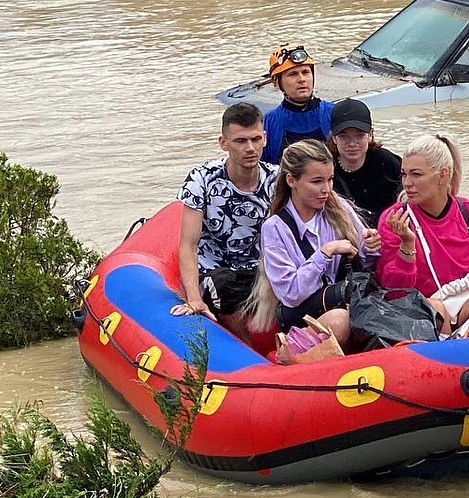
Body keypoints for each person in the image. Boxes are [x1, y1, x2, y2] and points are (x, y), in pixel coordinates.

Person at [245, 139, 381, 348]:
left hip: (348, 303)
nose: (326, 189)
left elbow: (366, 268)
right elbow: (291, 294)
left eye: (330, 179)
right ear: (291, 180)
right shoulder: (274, 228)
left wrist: (371, 248)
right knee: (339, 320)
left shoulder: (339, 207)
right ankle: (292, 351)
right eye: (317, 181)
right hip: (305, 317)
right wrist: (325, 252)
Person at [171, 102, 277, 339]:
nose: (250, 148)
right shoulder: (202, 179)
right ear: (224, 143)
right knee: (223, 286)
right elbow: (189, 244)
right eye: (240, 141)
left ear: (265, 139)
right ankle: (246, 352)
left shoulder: (277, 179)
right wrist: (194, 299)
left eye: (255, 139)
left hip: (259, 267)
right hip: (217, 270)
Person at [376, 134, 469, 334]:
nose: (407, 183)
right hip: (424, 309)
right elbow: (395, 292)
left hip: (468, 299)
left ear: (442, 175)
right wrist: (407, 245)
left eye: (416, 175)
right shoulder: (394, 218)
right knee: (435, 310)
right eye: (404, 174)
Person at [326, 97, 402, 227]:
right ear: (333, 138)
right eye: (343, 136)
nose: (352, 143)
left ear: (371, 134)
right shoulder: (325, 168)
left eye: (359, 135)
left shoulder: (388, 163)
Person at [262, 44, 335, 164]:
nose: (302, 79)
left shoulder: (334, 114)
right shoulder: (267, 123)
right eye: (293, 74)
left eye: (306, 72)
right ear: (276, 82)